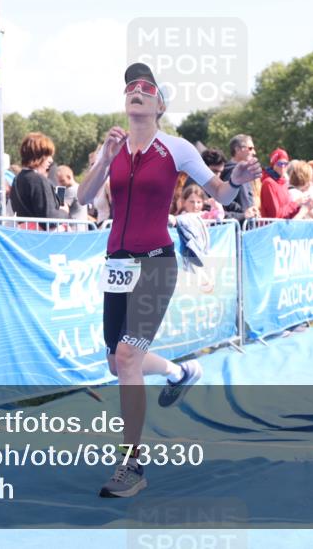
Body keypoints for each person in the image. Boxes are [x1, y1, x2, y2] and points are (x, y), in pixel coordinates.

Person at [76, 63, 261, 498]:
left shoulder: (176, 148)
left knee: (125, 358)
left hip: (156, 264)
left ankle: (132, 466)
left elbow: (220, 192)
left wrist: (235, 178)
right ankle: (180, 372)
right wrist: (103, 158)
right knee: (117, 362)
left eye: (146, 88)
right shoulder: (115, 150)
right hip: (117, 265)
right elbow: (84, 198)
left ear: (159, 105)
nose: (136, 91)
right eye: (130, 88)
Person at [9, 132, 68, 228]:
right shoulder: (37, 180)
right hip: (42, 238)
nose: (51, 160)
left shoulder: (17, 179)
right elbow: (49, 220)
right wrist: (64, 212)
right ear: (37, 155)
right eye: (48, 155)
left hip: (26, 236)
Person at [260, 149, 313, 219]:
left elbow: (288, 211)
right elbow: (276, 215)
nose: (283, 167)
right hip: (272, 228)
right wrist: (297, 203)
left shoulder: (283, 183)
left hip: (283, 226)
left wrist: (304, 205)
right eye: (280, 164)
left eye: (285, 164)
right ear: (273, 164)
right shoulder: (268, 183)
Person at [221, 135, 259, 224]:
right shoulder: (231, 172)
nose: (254, 152)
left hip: (247, 225)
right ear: (237, 149)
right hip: (237, 226)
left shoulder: (243, 171)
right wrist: (243, 212)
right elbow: (226, 199)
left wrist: (252, 209)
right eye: (250, 148)